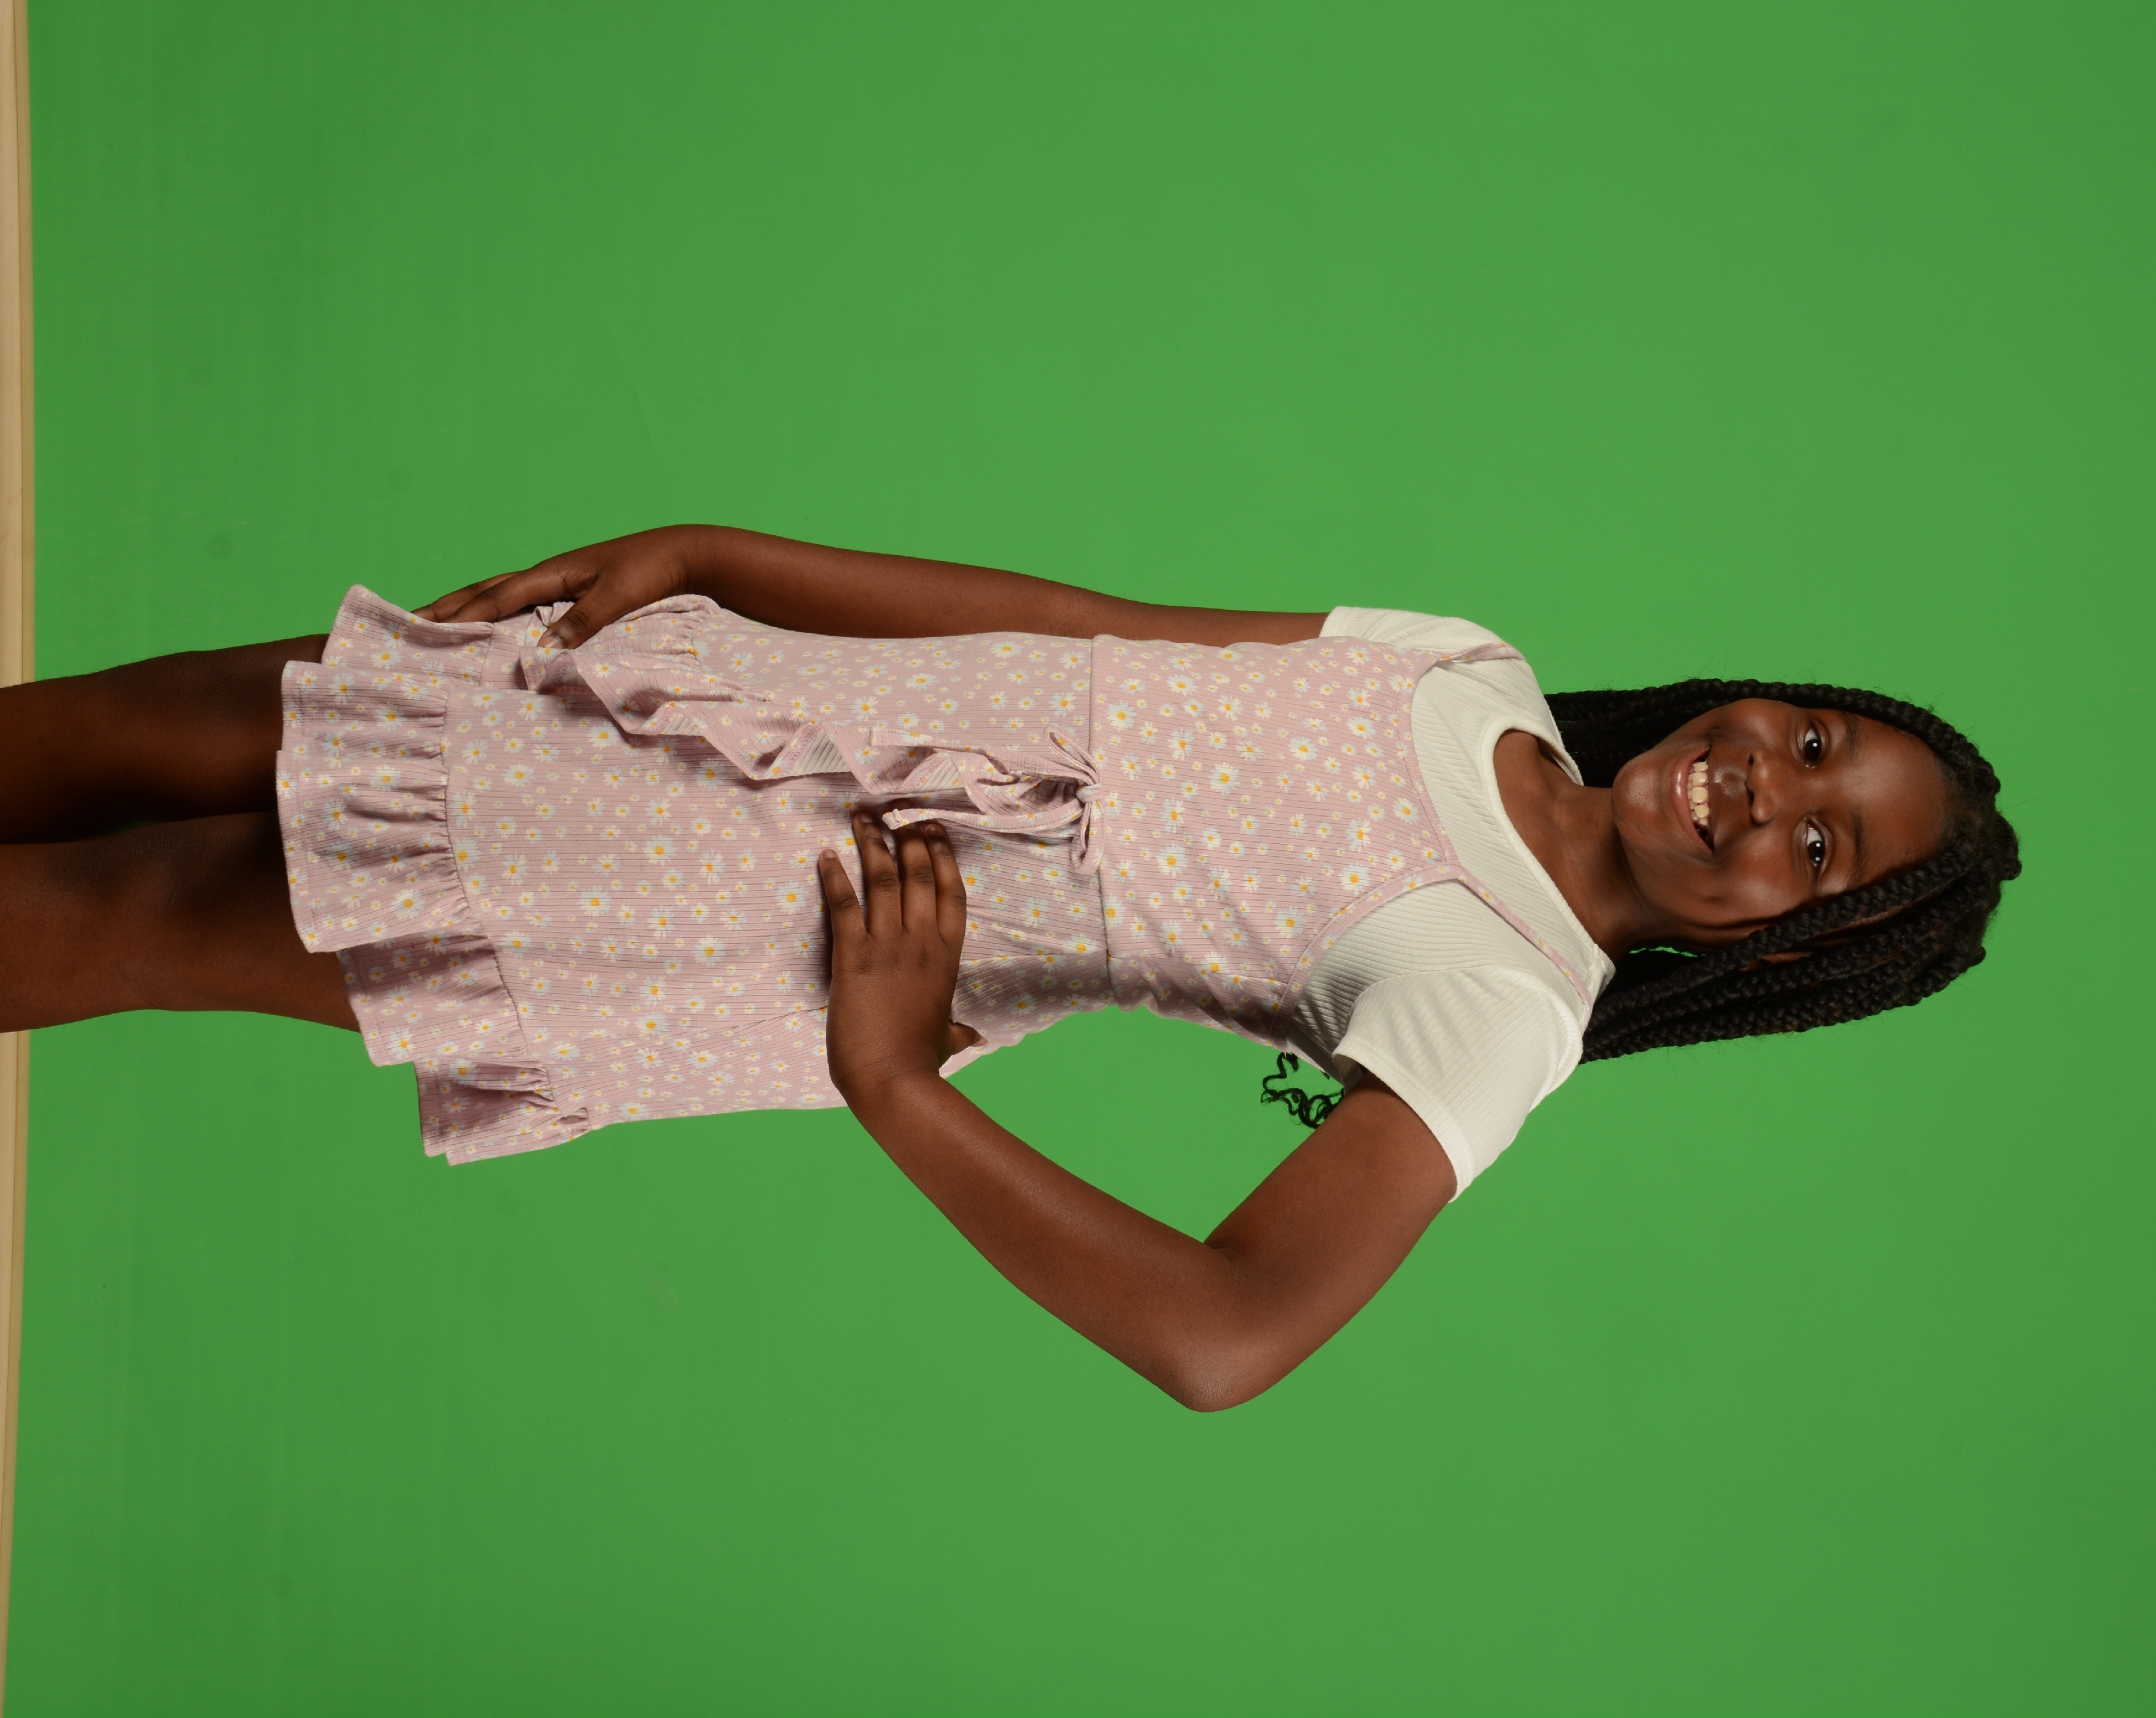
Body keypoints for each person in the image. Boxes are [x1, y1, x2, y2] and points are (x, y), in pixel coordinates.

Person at [0, 525, 2021, 1408]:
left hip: (752, 897)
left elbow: (1226, 1336)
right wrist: (717, 558)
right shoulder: (1466, 667)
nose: (1766, 791)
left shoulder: (1503, 1004)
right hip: (741, 697)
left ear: (1798, 942)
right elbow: (1075, 624)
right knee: (153, 726)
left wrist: (890, 1075)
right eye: (1813, 742)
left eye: (1820, 847)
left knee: (143, 910)